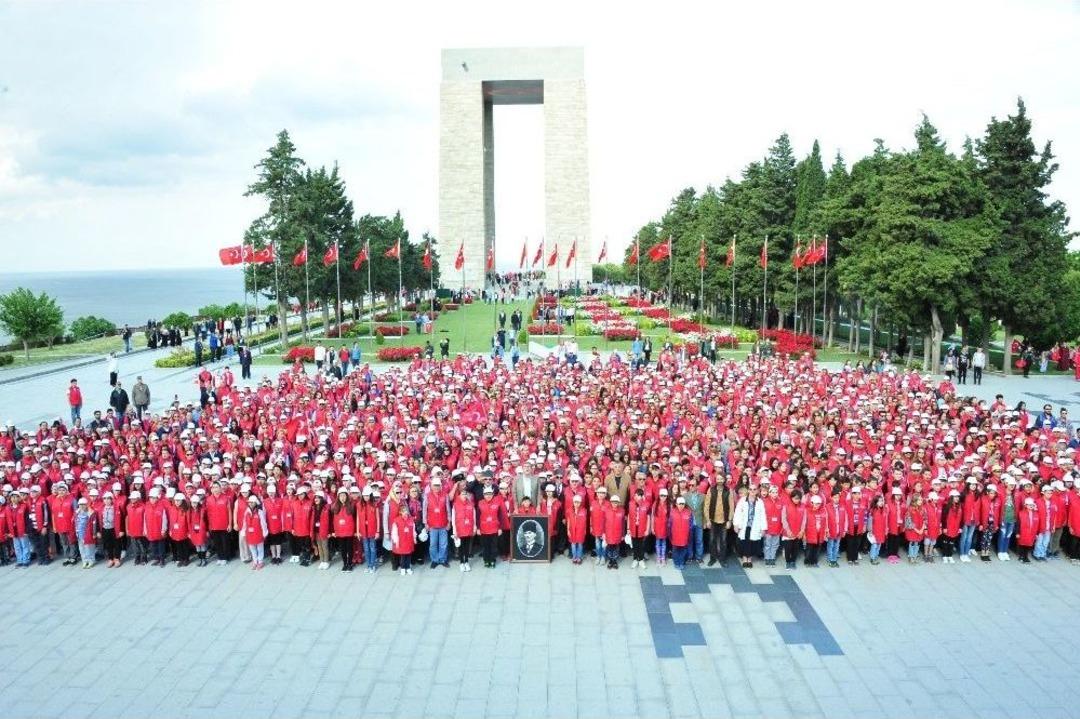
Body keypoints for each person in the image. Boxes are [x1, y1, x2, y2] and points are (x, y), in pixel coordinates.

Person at [732, 484, 766, 568]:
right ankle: (744, 558)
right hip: (744, 525)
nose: (752, 491)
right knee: (744, 542)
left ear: (757, 491)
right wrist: (736, 524)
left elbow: (763, 515)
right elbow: (737, 513)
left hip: (755, 525)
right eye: (750, 489)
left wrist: (763, 528)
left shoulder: (760, 502)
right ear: (748, 490)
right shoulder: (742, 500)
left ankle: (749, 559)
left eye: (754, 489)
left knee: (752, 542)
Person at [241, 495, 267, 570]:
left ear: (256, 503)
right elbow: (244, 522)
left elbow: (263, 523)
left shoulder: (260, 512)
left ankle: (260, 561)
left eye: (252, 502)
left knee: (260, 548)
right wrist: (243, 531)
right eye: (249, 502)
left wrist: (264, 532)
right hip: (250, 533)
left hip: (258, 533)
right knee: (252, 548)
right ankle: (255, 561)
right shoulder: (247, 511)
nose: (251, 504)